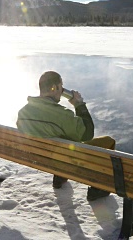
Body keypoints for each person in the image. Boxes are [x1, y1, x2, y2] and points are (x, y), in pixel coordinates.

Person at [16, 71, 116, 201]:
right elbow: (87, 134)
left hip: (40, 157)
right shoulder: (62, 115)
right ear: (55, 88)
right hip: (64, 158)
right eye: (61, 87)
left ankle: (60, 177)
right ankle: (98, 188)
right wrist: (79, 105)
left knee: (62, 140)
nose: (62, 90)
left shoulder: (23, 112)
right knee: (108, 141)